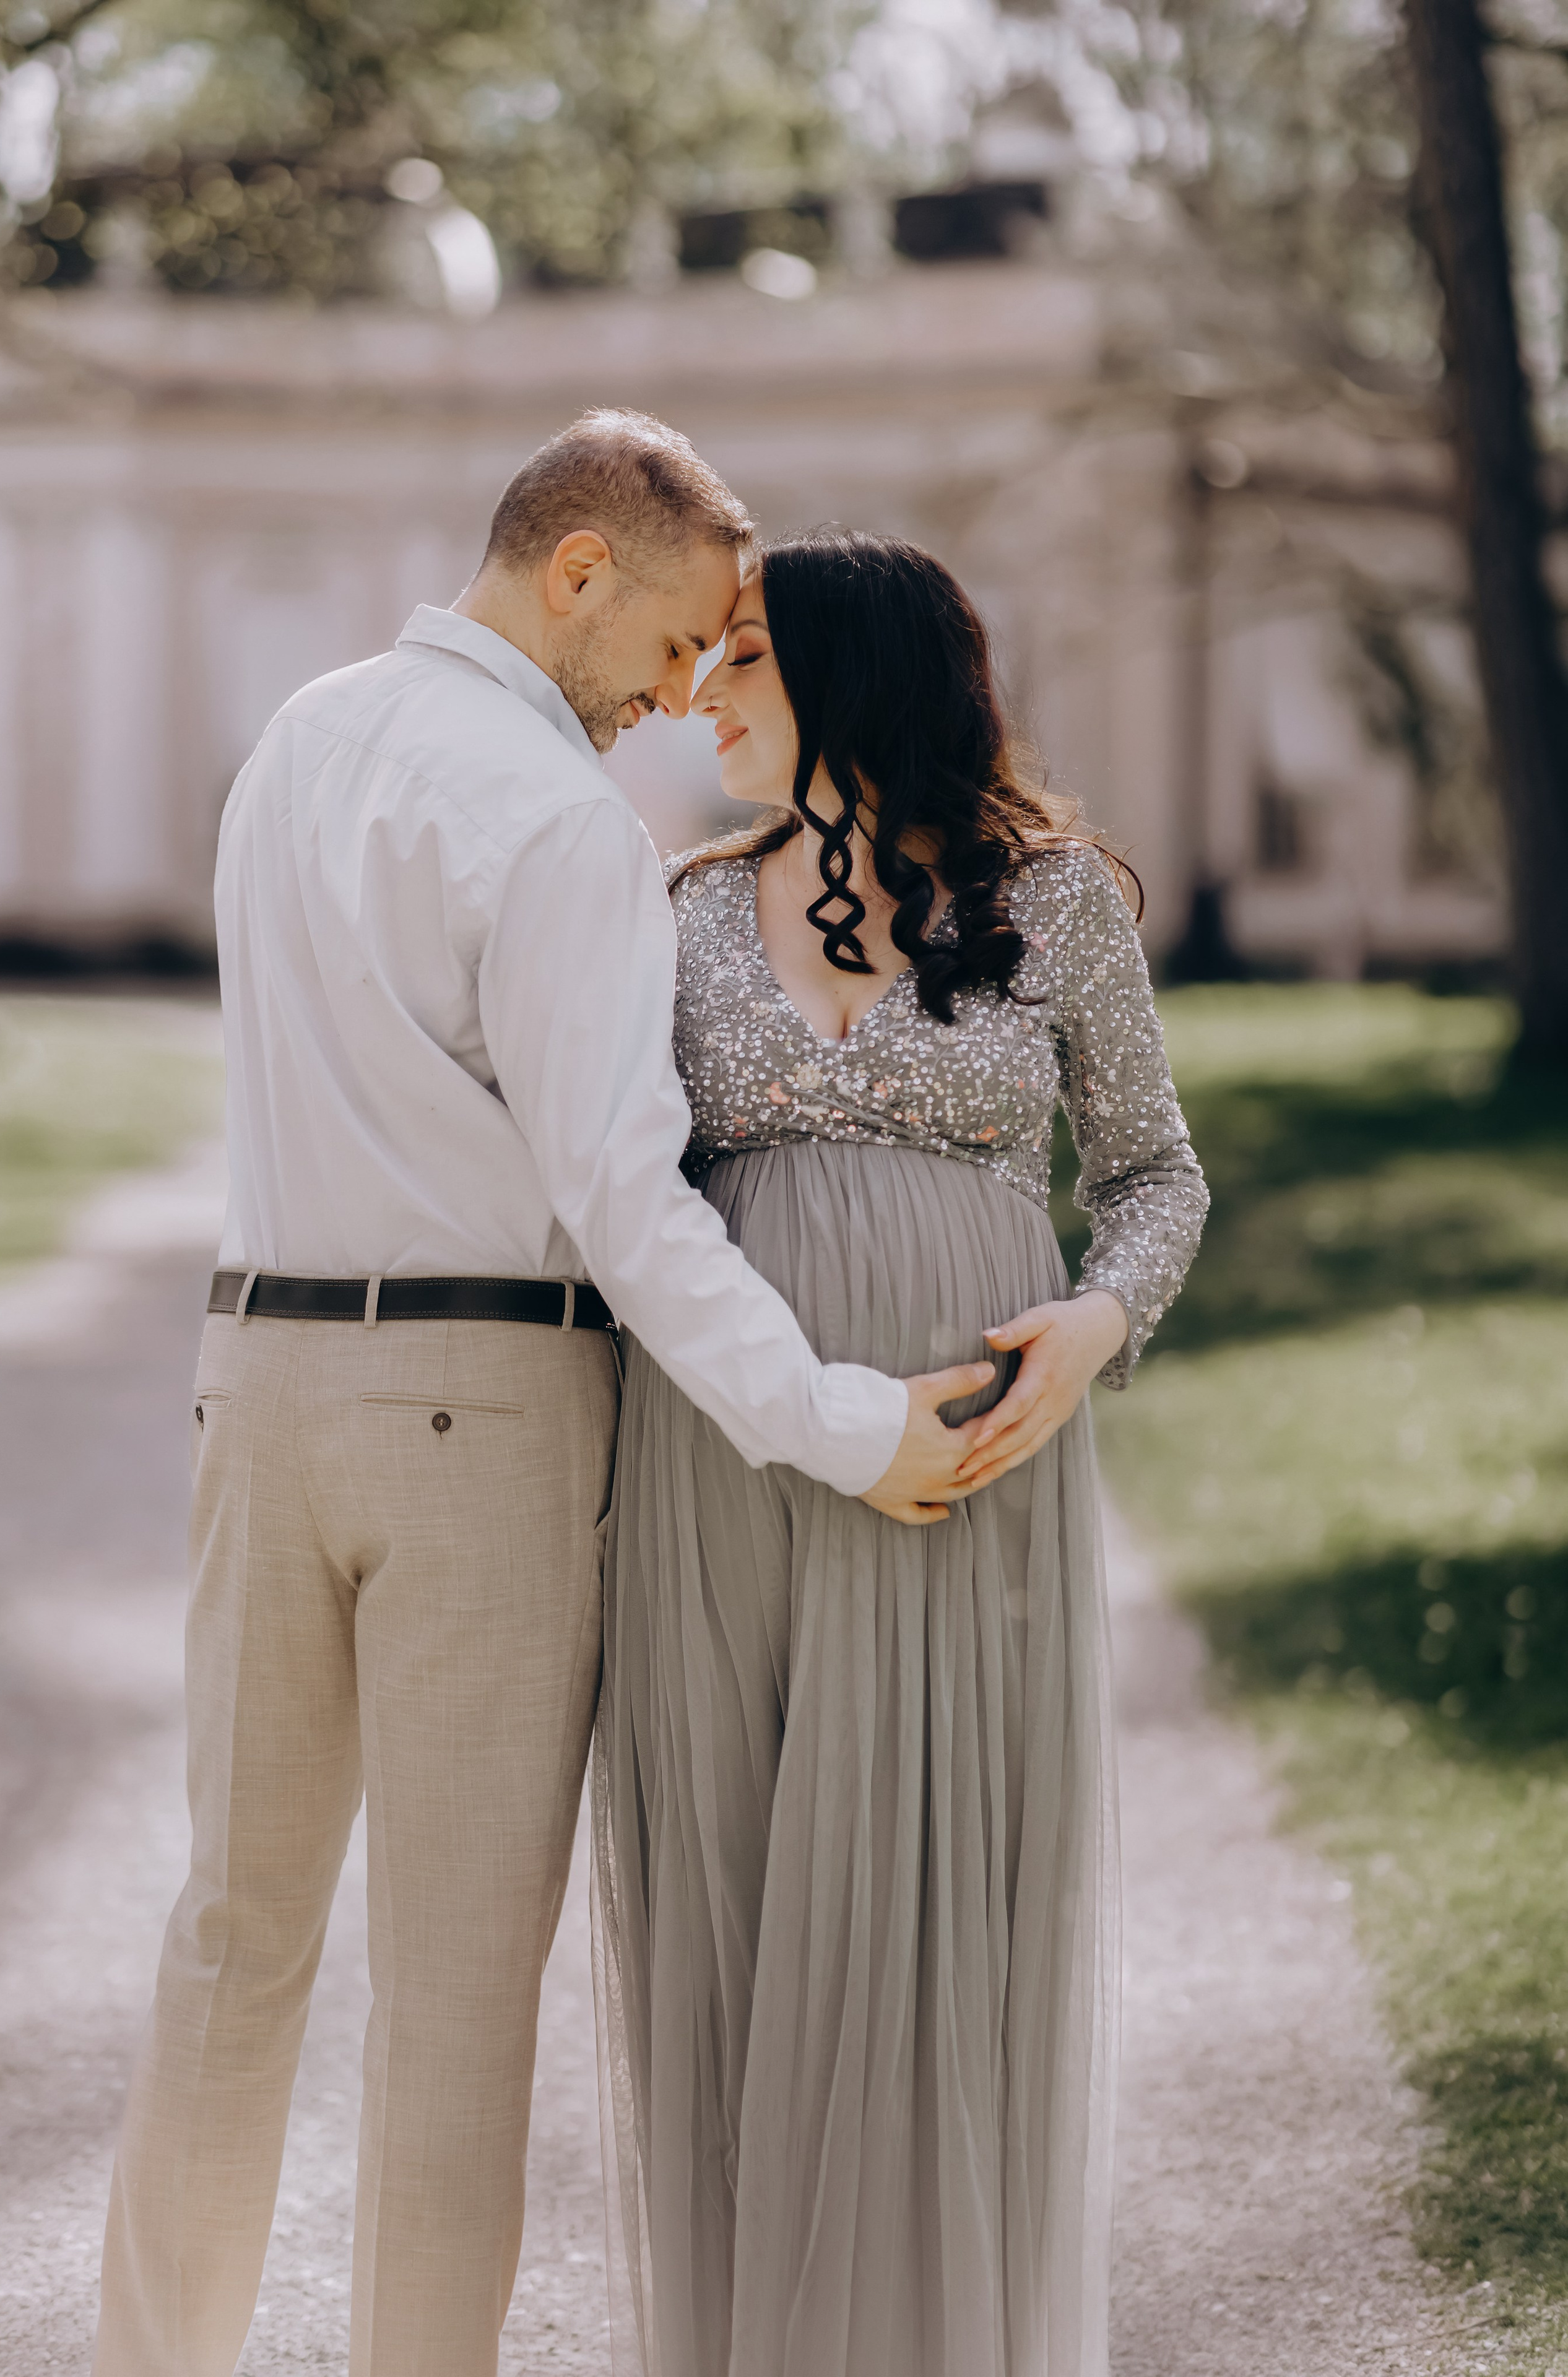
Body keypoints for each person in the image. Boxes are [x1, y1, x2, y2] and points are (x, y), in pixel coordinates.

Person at [92, 420, 1031, 2377]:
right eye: (677, 642)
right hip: (483, 1421)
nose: (686, 698)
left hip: (256, 1387)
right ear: (580, 571)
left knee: (229, 1946)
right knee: (447, 2008)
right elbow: (625, 1208)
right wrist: (849, 1422)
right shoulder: (556, 825)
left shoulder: (297, 742)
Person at [592, 529, 1210, 2377]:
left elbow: (1160, 1174)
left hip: (972, 1489)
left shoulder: (1060, 902)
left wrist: (1099, 1326)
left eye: (751, 657)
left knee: (946, 1942)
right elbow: (630, 1200)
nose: (705, 688)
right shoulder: (680, 907)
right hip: (730, 1476)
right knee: (738, 1925)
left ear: (859, 676)